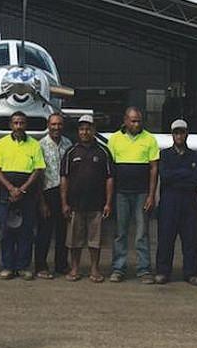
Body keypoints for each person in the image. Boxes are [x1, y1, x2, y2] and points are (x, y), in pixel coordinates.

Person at [0, 111, 45, 280]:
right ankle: (8, 266)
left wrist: (22, 189)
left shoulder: (34, 145)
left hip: (27, 194)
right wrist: (11, 188)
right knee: (6, 232)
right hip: (6, 194)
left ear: (25, 125)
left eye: (21, 123)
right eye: (15, 123)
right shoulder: (1, 144)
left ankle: (22, 266)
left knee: (26, 231)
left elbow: (38, 169)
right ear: (10, 125)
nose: (18, 126)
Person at [106, 107, 159, 283]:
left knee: (142, 233)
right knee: (120, 232)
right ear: (125, 120)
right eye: (133, 120)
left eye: (139, 121)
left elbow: (153, 169)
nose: (136, 124)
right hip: (121, 193)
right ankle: (118, 268)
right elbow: (110, 171)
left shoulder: (149, 139)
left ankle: (143, 269)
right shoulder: (114, 139)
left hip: (142, 194)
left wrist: (152, 195)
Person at [60, 114, 113, 282]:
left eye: (88, 128)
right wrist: (64, 203)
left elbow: (110, 178)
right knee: (74, 240)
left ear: (94, 130)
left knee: (95, 241)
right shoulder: (70, 152)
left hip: (97, 204)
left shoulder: (103, 151)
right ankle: (75, 269)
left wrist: (108, 203)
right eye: (82, 128)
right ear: (78, 131)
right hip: (75, 204)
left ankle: (94, 269)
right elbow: (64, 178)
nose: (85, 132)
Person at [154, 119, 197, 285]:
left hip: (189, 202)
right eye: (176, 132)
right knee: (165, 238)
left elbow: (196, 180)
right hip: (169, 201)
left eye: (182, 132)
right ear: (172, 135)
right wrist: (184, 173)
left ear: (186, 134)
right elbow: (165, 177)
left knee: (191, 239)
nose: (179, 135)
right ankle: (163, 271)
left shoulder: (195, 156)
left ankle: (191, 273)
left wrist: (177, 174)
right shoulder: (164, 155)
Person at [36, 113, 72, 278]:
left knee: (62, 232)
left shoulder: (68, 144)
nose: (56, 127)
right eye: (53, 124)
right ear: (48, 125)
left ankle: (61, 265)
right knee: (44, 232)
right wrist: (42, 202)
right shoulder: (40, 145)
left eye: (59, 124)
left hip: (64, 193)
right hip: (47, 191)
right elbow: (39, 175)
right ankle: (40, 266)